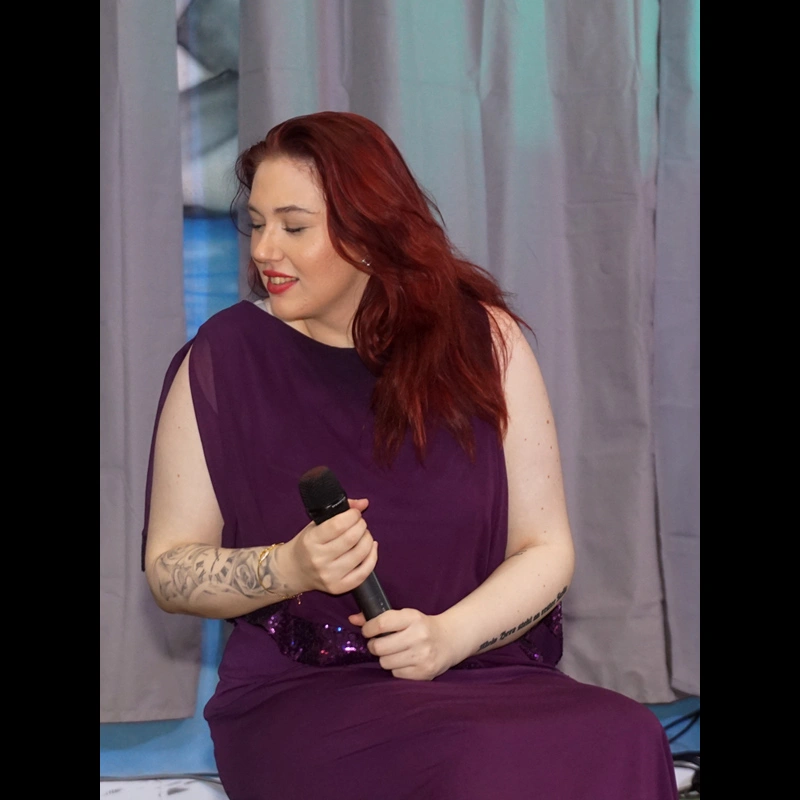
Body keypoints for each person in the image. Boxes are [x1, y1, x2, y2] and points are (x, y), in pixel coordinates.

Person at [142, 111, 678, 800]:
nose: (265, 250)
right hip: (303, 697)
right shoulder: (222, 358)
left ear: (370, 234)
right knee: (472, 759)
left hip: (481, 670)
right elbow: (170, 571)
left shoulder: (488, 341)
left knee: (626, 732)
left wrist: (450, 637)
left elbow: (546, 549)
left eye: (294, 227)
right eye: (257, 224)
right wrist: (288, 566)